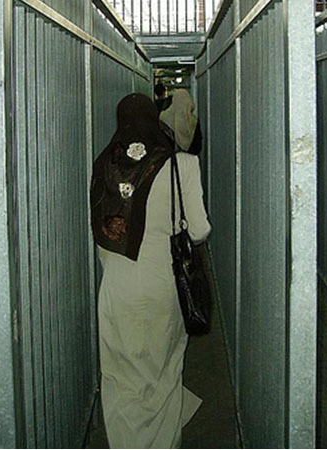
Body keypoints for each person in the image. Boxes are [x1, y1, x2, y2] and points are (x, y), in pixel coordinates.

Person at [90, 93, 211, 448]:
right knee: (164, 373)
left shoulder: (104, 166)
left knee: (119, 376)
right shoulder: (182, 165)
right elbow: (200, 230)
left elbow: (101, 231)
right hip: (164, 288)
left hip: (116, 289)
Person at [159, 88, 202, 156]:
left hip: (168, 162)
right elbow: (198, 147)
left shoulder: (163, 118)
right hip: (188, 163)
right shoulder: (194, 121)